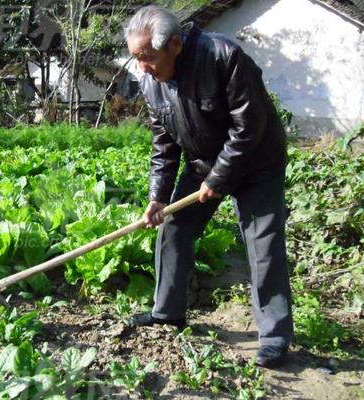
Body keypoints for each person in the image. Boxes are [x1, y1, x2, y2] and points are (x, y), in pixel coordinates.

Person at [124, 5, 293, 369]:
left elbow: (248, 127)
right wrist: (157, 197)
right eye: (136, 58)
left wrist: (219, 180)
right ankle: (167, 313)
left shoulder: (223, 57)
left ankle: (275, 337)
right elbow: (164, 144)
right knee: (174, 227)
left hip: (258, 162)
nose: (142, 66)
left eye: (148, 57)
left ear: (175, 45)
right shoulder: (151, 81)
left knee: (263, 246)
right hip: (203, 163)